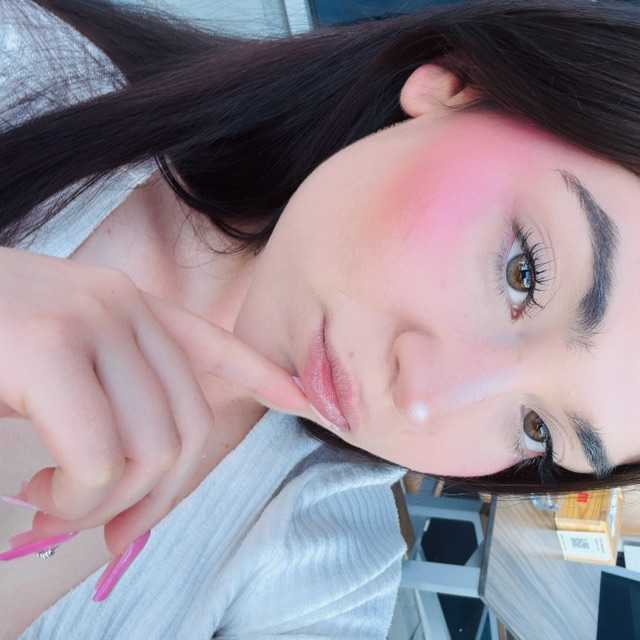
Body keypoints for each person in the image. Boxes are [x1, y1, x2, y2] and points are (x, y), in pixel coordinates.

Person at [1, 0, 640, 637]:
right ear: (456, 85)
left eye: (537, 430)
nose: (422, 401)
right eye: (523, 273)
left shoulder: (326, 567)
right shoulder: (24, 66)